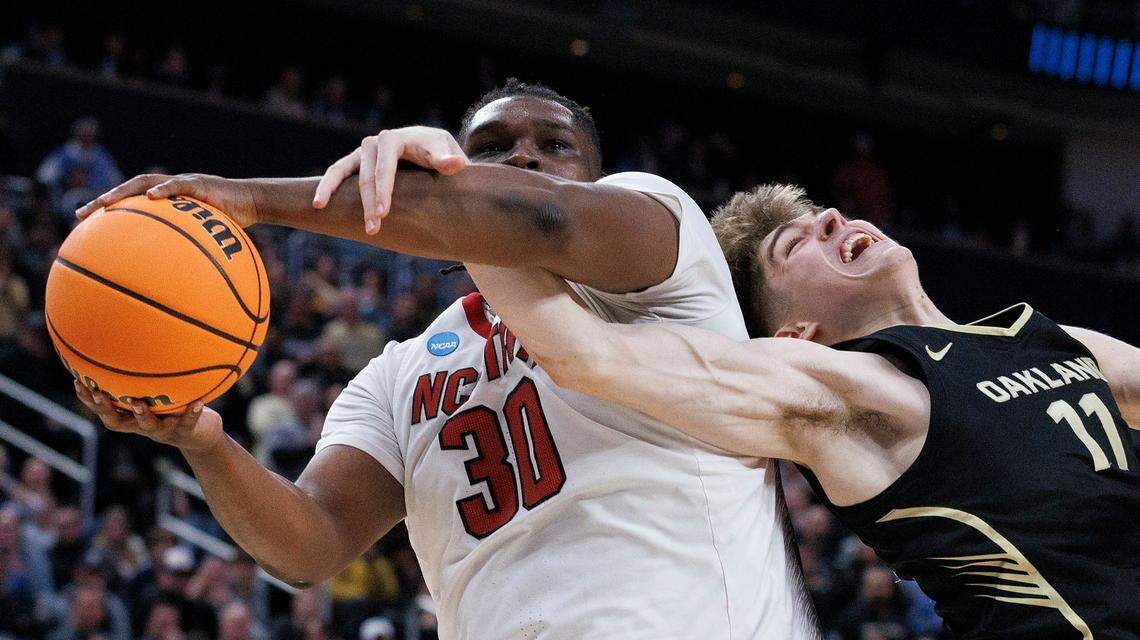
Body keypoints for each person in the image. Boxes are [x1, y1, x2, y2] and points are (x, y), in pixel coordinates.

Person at [74, 80, 817, 638]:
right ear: (446, 166)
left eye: (554, 145)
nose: (524, 155)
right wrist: (201, 441)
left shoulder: (666, 245)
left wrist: (251, 198)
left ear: (599, 180)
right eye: (493, 149)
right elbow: (310, 544)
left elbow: (544, 219)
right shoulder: (400, 374)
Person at [458, 183, 1140, 638]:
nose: (833, 219)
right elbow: (590, 355)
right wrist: (462, 205)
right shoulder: (838, 392)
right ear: (792, 335)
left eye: (821, 217)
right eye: (795, 246)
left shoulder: (1045, 337)